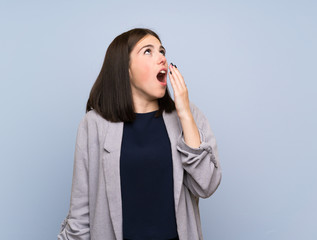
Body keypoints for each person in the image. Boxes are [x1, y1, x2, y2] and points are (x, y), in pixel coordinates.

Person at [57, 27, 222, 240]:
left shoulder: (188, 115)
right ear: (125, 68)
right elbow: (80, 214)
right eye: (148, 51)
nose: (161, 58)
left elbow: (206, 185)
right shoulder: (94, 124)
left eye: (162, 51)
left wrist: (184, 114)